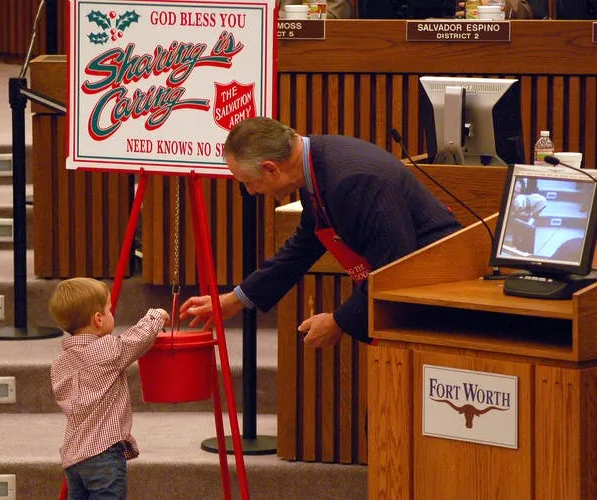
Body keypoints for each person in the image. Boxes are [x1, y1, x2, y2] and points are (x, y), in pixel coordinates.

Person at [180, 117, 462, 347]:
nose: (251, 192)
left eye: (248, 182)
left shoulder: (352, 181)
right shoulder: (316, 165)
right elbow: (304, 245)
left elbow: (394, 268)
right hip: (416, 295)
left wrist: (339, 321)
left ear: (271, 169)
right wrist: (237, 298)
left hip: (440, 298)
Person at [49, 277, 169, 500]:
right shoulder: (107, 350)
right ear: (98, 319)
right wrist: (157, 315)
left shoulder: (59, 364)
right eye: (109, 310)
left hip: (73, 458)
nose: (112, 314)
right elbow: (136, 339)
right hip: (103, 454)